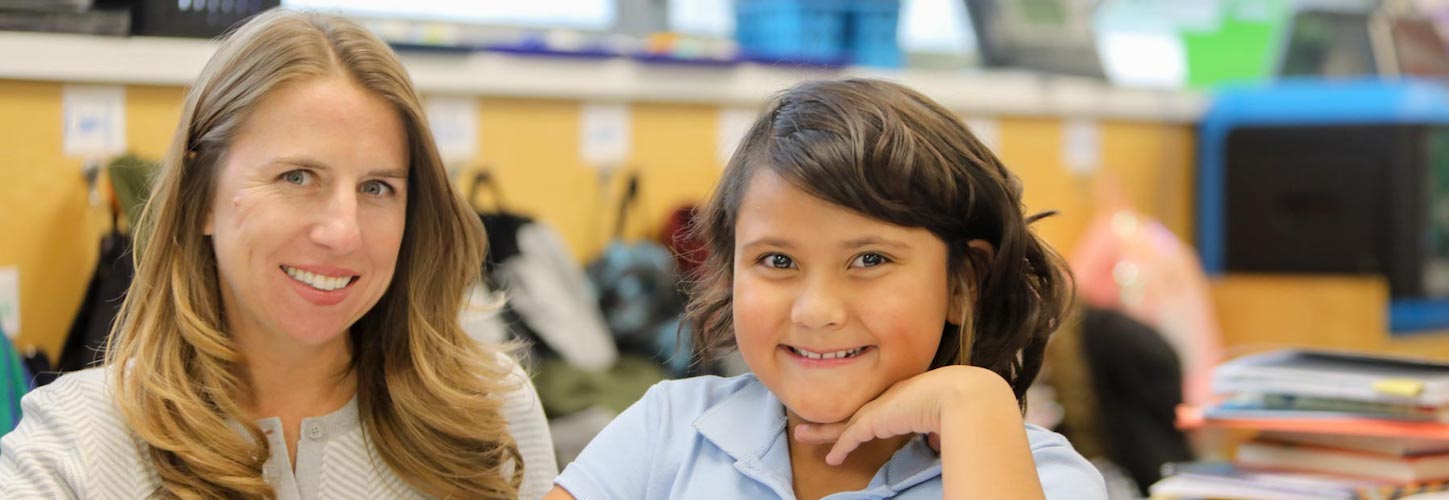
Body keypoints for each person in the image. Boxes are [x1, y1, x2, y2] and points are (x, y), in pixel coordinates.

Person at [0, 9, 556, 499]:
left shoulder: (490, 412)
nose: (344, 233)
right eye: (297, 176)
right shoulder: (80, 436)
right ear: (202, 199)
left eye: (377, 187)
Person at [546, 79, 1106, 499]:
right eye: (777, 260)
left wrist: (973, 403)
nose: (816, 311)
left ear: (963, 282)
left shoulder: (1035, 476)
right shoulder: (672, 428)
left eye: (869, 259)